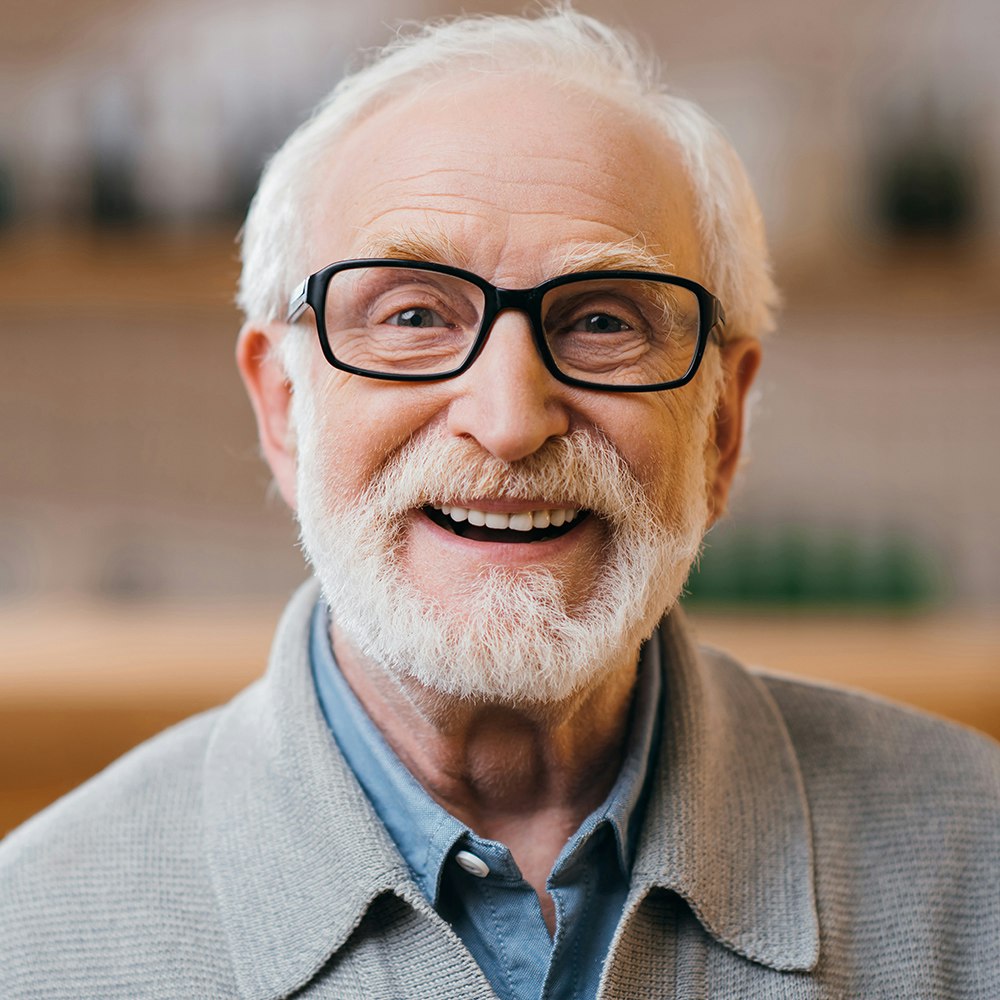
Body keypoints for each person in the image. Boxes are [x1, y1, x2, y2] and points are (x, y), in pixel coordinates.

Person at [2, 9, 998, 999]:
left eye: (602, 321)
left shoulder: (978, 874)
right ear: (283, 407)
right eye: (413, 315)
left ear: (721, 427)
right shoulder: (36, 939)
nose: (511, 419)